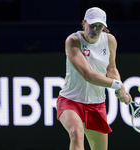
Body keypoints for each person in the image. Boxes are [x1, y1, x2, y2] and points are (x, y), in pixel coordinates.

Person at [56, 7, 132, 150]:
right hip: (71, 101)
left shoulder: (110, 41)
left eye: (100, 26)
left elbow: (111, 68)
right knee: (76, 133)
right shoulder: (73, 41)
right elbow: (87, 75)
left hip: (96, 105)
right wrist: (117, 85)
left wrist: (120, 88)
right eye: (92, 25)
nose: (95, 30)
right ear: (84, 23)